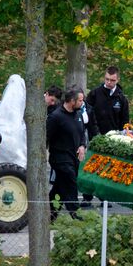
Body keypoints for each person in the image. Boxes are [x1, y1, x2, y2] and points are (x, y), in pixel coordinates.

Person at [46, 88, 86, 220]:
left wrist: (82, 145)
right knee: (70, 183)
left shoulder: (78, 114)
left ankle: (50, 216)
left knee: (59, 188)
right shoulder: (56, 117)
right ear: (71, 101)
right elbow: (46, 137)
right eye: (80, 100)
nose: (82, 102)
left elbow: (81, 133)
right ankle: (77, 216)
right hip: (60, 158)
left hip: (73, 158)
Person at [86, 66, 130, 134]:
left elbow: (125, 120)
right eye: (107, 79)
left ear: (118, 80)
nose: (109, 82)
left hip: (115, 136)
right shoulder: (94, 94)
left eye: (112, 80)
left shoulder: (121, 98)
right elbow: (87, 114)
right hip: (95, 135)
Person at [77, 91, 99, 207]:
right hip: (76, 139)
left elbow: (93, 125)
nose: (81, 102)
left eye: (82, 99)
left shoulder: (89, 109)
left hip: (88, 139)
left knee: (89, 169)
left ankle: (88, 196)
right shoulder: (72, 109)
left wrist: (96, 140)